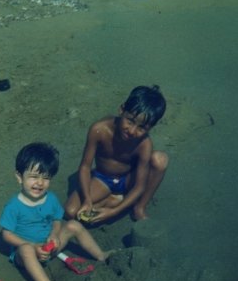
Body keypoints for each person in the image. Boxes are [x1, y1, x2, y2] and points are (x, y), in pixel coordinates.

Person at [0, 142, 115, 281]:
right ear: (19, 177)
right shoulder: (14, 206)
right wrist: (32, 246)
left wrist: (54, 235)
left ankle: (101, 255)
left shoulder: (51, 198)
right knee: (25, 250)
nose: (40, 183)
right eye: (33, 177)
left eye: (46, 178)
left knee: (73, 225)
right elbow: (6, 234)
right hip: (27, 254)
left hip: (50, 246)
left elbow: (57, 220)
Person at [64, 85, 168, 223]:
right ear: (121, 110)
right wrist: (87, 200)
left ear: (151, 127)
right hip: (103, 178)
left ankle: (139, 207)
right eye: (130, 121)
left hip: (128, 180)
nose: (132, 131)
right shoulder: (99, 130)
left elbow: (139, 186)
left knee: (160, 160)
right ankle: (116, 200)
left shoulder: (144, 144)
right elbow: (85, 167)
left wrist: (113, 213)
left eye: (142, 128)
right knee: (71, 212)